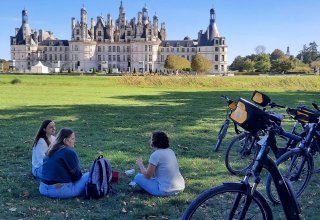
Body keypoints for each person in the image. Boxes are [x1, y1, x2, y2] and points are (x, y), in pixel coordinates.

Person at [39, 128, 89, 199]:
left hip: (43, 189)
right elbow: (77, 176)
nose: (74, 141)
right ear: (65, 140)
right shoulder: (69, 152)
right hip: (60, 191)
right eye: (72, 138)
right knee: (91, 174)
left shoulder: (50, 150)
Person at [133, 131, 185, 196]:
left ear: (154, 142)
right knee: (155, 179)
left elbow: (148, 176)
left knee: (137, 177)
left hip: (165, 191)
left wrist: (140, 164)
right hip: (180, 187)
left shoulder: (155, 155)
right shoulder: (171, 151)